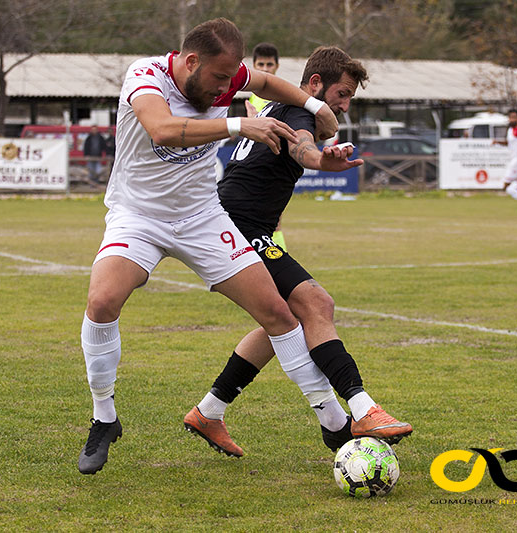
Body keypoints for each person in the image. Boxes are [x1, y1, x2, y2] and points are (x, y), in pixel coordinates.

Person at [77, 18, 339, 475]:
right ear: (190, 61)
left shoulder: (227, 74)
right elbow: (160, 128)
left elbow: (267, 82)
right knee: (102, 302)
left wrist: (316, 105)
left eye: (230, 78)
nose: (227, 86)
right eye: (220, 79)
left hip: (202, 217)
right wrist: (239, 125)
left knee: (278, 313)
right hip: (138, 217)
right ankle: (105, 418)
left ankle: (334, 423)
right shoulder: (146, 76)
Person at [184, 46, 413, 458]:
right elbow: (301, 149)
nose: (344, 105)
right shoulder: (300, 112)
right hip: (236, 227)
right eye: (341, 94)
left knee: (283, 320)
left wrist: (323, 148)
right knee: (315, 303)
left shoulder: (284, 106)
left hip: (236, 224)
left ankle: (209, 411)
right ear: (314, 84)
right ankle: (356, 411)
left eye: (349, 99)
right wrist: (322, 159)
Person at [245, 42, 287, 250]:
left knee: (273, 221)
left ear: (277, 66)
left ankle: (280, 265)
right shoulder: (253, 96)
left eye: (269, 64)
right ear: (253, 65)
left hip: (272, 164)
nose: (265, 69)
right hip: (254, 165)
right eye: (260, 64)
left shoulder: (279, 94)